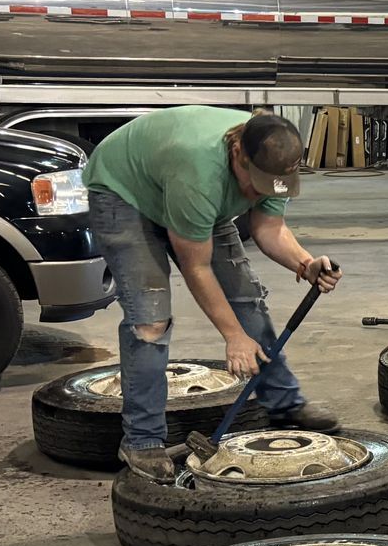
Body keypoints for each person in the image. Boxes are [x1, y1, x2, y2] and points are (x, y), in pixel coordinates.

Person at [83, 107, 342, 479]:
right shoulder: (199, 171)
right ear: (238, 154)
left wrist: (305, 263)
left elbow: (269, 227)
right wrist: (233, 337)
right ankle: (141, 441)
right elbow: (196, 267)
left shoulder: (273, 165)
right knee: (151, 318)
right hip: (126, 195)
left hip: (194, 202)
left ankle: (284, 404)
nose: (257, 192)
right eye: (254, 182)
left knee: (247, 300)